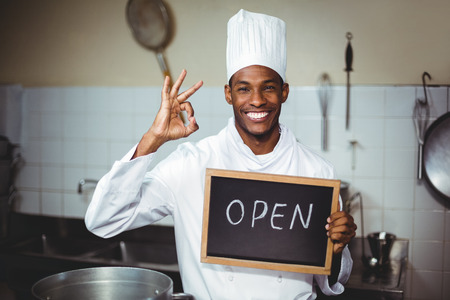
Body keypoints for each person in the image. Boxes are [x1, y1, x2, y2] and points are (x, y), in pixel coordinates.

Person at [85, 9, 356, 300]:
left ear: (284, 92)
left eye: (268, 88)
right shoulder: (191, 165)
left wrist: (337, 249)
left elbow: (330, 282)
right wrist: (152, 139)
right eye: (244, 89)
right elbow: (103, 219)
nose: (256, 100)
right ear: (228, 94)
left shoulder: (316, 172)